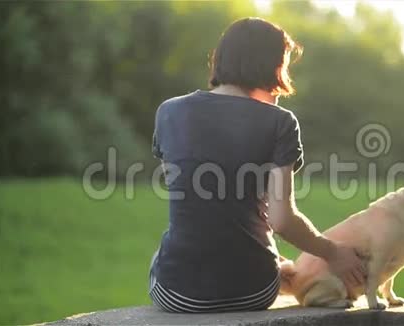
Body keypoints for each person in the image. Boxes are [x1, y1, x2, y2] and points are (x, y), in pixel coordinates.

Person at [148, 17, 365, 313]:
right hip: (255, 291)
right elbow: (282, 220)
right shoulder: (280, 123)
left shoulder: (169, 112)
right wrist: (333, 252)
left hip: (178, 294)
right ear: (273, 66)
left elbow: (198, 203)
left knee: (167, 247)